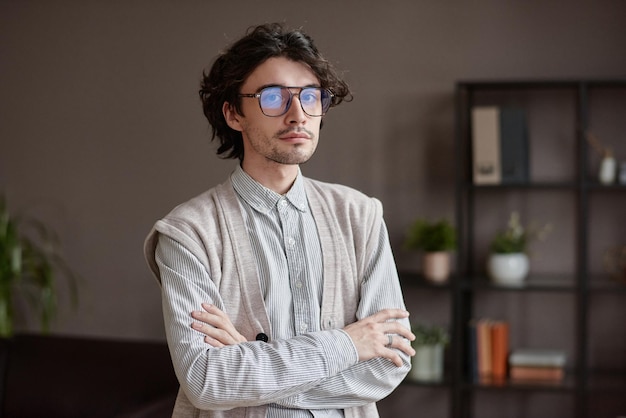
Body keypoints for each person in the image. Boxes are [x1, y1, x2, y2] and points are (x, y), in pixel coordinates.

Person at [144, 22, 415, 418]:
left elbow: (387, 366)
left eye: (310, 97)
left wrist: (248, 363)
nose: (297, 114)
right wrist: (348, 344)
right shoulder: (187, 233)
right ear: (234, 113)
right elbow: (205, 380)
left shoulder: (361, 216)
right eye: (273, 98)